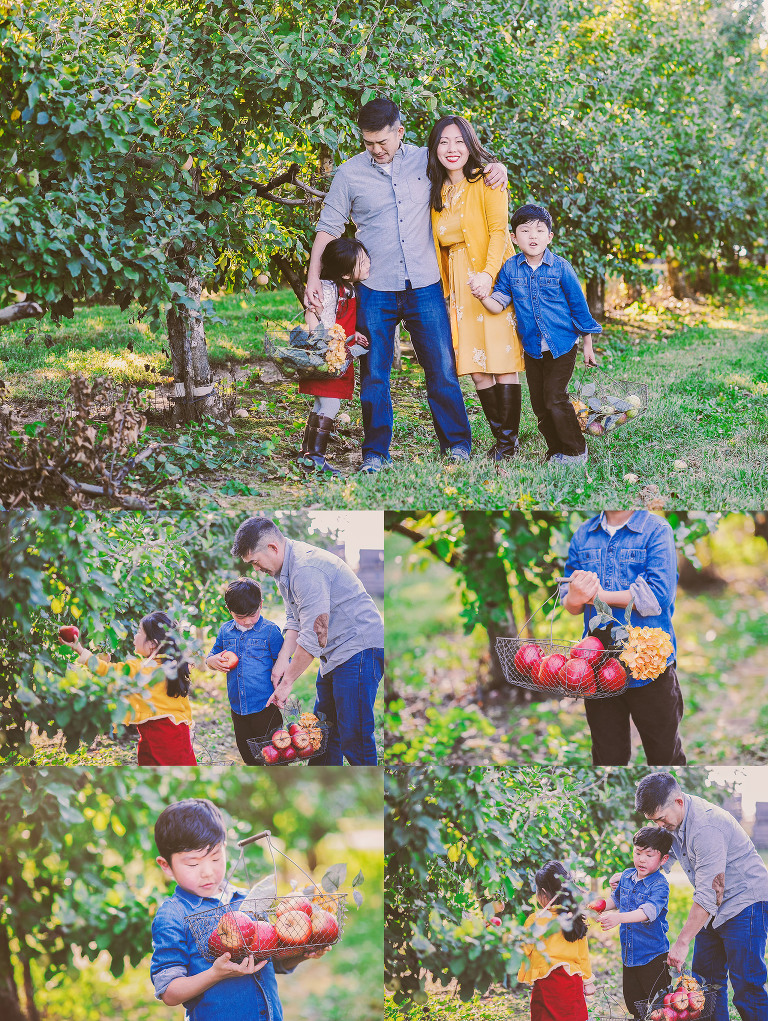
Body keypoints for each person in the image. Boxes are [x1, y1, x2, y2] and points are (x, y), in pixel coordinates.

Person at [306, 96, 509, 472]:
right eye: (368, 142)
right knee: (374, 374)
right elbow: (328, 228)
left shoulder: (425, 159)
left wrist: (496, 167)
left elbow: (464, 168)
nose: (376, 149)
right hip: (375, 288)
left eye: (382, 141)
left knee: (442, 369)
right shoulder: (349, 174)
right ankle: (375, 453)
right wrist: (312, 278)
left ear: (399, 132)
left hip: (425, 284)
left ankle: (457, 444)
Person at [150, 799, 328, 1020]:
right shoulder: (173, 915)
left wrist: (302, 953)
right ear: (166, 866)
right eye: (193, 864)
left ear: (225, 848)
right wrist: (215, 974)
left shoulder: (247, 901)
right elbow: (169, 991)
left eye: (215, 858)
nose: (207, 872)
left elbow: (271, 960)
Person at [230, 516, 384, 765]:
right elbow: (295, 620)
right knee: (321, 734)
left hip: (358, 649)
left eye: (255, 562)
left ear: (272, 548)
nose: (256, 569)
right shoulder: (284, 572)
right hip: (334, 654)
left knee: (354, 736)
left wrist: (287, 682)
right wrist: (282, 661)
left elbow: (313, 636)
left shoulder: (306, 570)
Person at [427, 115, 524, 460]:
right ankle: (502, 439)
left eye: (459, 141)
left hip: (493, 278)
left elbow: (499, 232)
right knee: (476, 364)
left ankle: (508, 444)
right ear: (434, 148)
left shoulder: (488, 180)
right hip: (459, 285)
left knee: (502, 359)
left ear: (470, 145)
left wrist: (487, 273)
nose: (452, 149)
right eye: (443, 142)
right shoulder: (435, 190)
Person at [635, 772, 768, 1021]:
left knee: (747, 987)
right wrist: (631, 876)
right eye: (654, 821)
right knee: (704, 988)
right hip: (715, 905)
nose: (659, 825)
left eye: (661, 818)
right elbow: (659, 860)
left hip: (745, 903)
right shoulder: (673, 821)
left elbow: (709, 892)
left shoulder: (707, 827)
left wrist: (682, 942)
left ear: (678, 802)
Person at [477, 203, 601, 465]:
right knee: (540, 404)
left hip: (562, 345)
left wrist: (588, 345)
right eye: (525, 231)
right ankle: (556, 449)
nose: (532, 236)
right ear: (514, 238)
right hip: (533, 348)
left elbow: (579, 307)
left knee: (555, 397)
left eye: (539, 230)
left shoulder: (561, 268)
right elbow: (498, 302)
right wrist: (482, 296)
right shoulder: (510, 268)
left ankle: (575, 451)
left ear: (549, 236)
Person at [562, 508, 685, 766]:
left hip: (649, 668)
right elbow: (570, 601)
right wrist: (574, 597)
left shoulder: (656, 529)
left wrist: (597, 596)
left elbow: (658, 595)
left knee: (665, 755)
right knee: (607, 757)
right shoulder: (584, 534)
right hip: (598, 666)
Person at [63, 610, 196, 766]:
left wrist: (78, 648)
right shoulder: (175, 668)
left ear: (152, 644)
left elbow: (107, 671)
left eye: (139, 632)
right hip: (179, 737)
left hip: (158, 740)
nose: (135, 636)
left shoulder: (140, 669)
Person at [297, 237, 371, 475]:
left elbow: (341, 322)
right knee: (331, 403)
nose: (368, 264)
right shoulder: (329, 290)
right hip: (327, 357)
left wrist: (352, 335)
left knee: (321, 403)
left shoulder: (348, 289)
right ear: (347, 274)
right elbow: (313, 315)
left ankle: (306, 454)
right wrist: (323, 340)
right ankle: (315, 457)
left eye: (366, 258)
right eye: (362, 262)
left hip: (337, 357)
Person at [205, 578, 284, 765]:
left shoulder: (270, 631)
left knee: (275, 755)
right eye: (240, 617)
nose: (247, 621)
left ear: (261, 605)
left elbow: (283, 662)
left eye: (252, 615)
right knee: (248, 755)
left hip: (266, 706)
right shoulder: (225, 631)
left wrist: (281, 689)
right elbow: (212, 656)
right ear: (229, 610)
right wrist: (211, 661)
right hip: (238, 707)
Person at [600, 827, 673, 1019]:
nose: (642, 859)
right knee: (635, 1004)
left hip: (653, 956)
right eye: (638, 853)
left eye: (649, 855)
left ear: (663, 859)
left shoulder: (660, 885)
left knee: (660, 1008)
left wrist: (619, 917)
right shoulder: (626, 876)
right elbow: (616, 900)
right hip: (630, 955)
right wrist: (601, 905)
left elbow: (647, 912)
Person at [518, 860, 595, 1021]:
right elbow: (583, 955)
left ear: (544, 893)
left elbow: (522, 949)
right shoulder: (575, 919)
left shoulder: (536, 920)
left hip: (547, 985)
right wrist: (588, 982)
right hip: (572, 984)